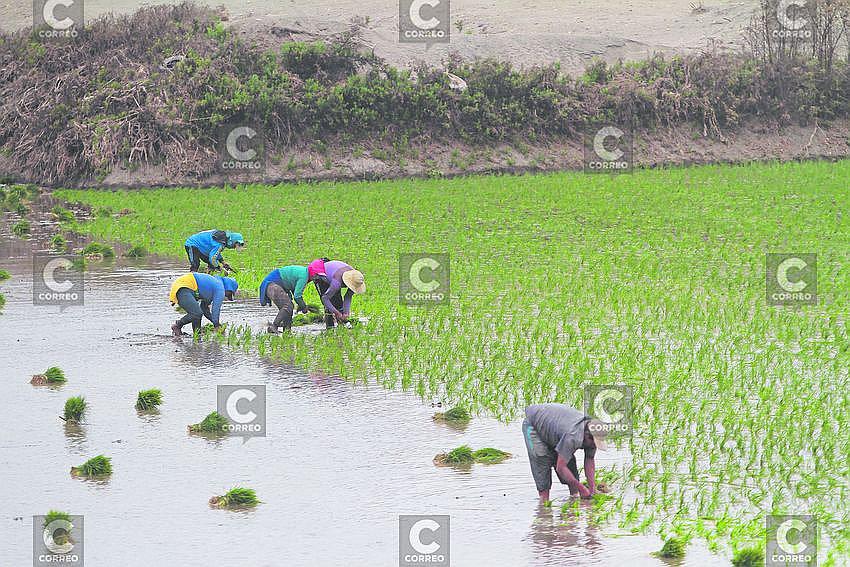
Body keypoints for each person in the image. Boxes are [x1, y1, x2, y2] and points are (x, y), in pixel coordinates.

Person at [522, 403, 607, 502]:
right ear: (587, 436)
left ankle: (573, 499)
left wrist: (592, 490)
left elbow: (590, 460)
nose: (594, 446)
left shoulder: (593, 433)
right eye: (594, 443)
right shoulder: (572, 436)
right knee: (542, 462)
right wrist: (582, 488)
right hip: (534, 425)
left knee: (570, 465)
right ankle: (544, 507)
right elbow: (560, 467)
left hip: (557, 427)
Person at [169, 273, 238, 336]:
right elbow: (216, 309)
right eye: (229, 294)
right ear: (229, 289)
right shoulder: (220, 289)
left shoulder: (213, 287)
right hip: (184, 287)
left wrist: (215, 323)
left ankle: (197, 334)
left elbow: (204, 309)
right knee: (196, 313)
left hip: (183, 285)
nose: (226, 296)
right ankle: (177, 325)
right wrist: (217, 325)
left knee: (197, 313)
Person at [259, 265, 319, 333]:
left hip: (271, 285)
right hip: (272, 285)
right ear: (312, 275)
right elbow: (297, 296)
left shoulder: (303, 272)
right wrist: (303, 307)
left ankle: (287, 331)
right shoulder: (304, 276)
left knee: (289, 306)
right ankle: (274, 326)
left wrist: (301, 305)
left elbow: (294, 291)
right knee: (288, 306)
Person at [313, 260, 366, 328]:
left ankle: (341, 324)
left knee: (338, 302)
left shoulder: (356, 279)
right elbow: (325, 298)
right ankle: (330, 328)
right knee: (328, 307)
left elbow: (348, 297)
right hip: (320, 275)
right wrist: (336, 313)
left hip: (334, 275)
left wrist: (346, 312)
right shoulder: (337, 283)